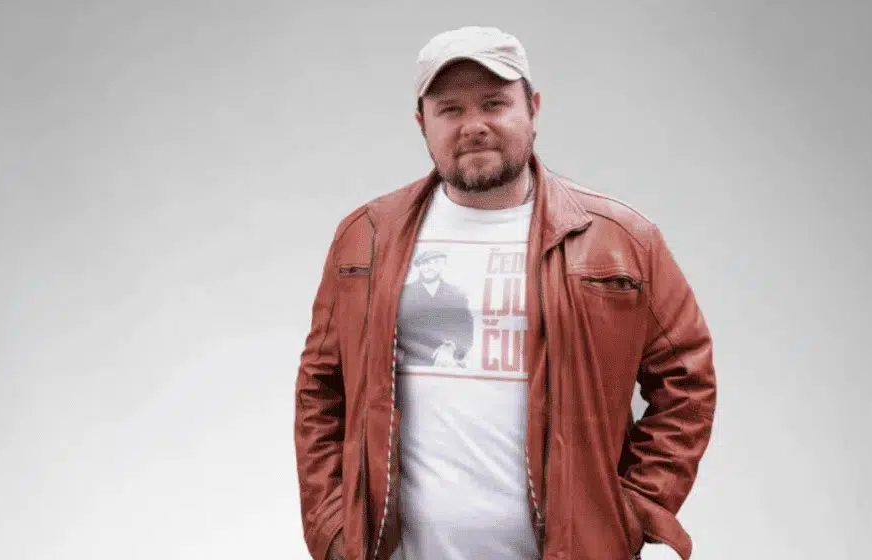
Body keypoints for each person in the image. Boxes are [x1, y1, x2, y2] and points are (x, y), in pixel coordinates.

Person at [294, 25, 717, 560]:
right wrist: (332, 526)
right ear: (422, 123)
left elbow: (687, 378)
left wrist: (632, 510)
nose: (474, 126)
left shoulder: (621, 240)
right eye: (450, 110)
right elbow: (320, 387)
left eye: (494, 104)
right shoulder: (367, 236)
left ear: (533, 109)